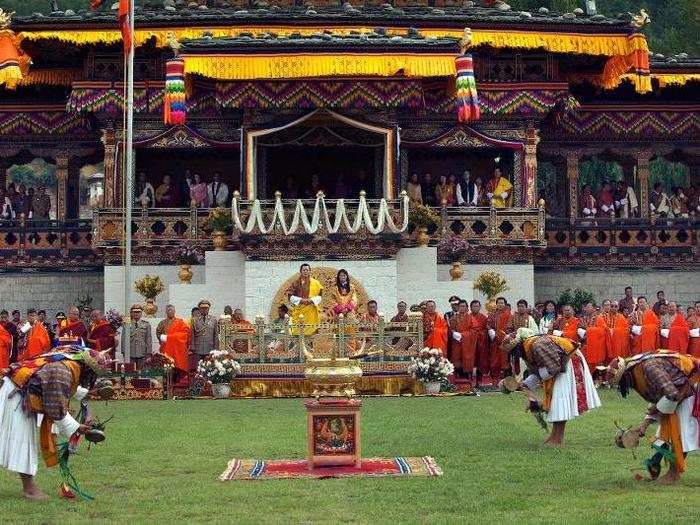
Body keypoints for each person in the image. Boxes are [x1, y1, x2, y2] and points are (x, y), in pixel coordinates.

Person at [0, 345, 110, 500]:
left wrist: (90, 393)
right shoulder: (63, 371)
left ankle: (29, 487)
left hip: (15, 388)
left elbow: (57, 384)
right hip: (17, 394)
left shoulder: (70, 357)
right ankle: (29, 488)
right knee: (23, 441)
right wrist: (77, 427)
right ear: (89, 370)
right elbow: (56, 407)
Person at [607, 351, 698, 484]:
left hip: (690, 386)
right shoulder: (636, 367)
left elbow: (672, 394)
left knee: (679, 434)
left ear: (626, 375)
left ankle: (673, 474)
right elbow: (661, 394)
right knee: (663, 435)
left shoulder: (650, 368)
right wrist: (642, 427)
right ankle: (660, 466)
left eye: (621, 383)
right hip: (680, 389)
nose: (624, 387)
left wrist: (655, 409)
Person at [504, 328, 601, 445]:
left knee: (558, 401)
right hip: (561, 365)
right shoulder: (528, 348)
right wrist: (524, 384)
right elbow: (538, 371)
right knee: (557, 401)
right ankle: (555, 436)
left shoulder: (537, 345)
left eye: (514, 351)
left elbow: (553, 368)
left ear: (519, 345)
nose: (515, 355)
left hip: (568, 364)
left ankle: (557, 438)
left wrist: (529, 383)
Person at [288, 263, 324, 335]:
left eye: (307, 270)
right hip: (299, 311)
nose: (305, 271)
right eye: (304, 270)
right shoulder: (295, 283)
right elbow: (290, 297)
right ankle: (299, 346)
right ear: (301, 271)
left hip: (311, 311)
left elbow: (320, 296)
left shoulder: (315, 283)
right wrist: (301, 300)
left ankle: (309, 346)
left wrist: (312, 300)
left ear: (310, 271)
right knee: (298, 333)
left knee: (311, 334)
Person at [156, 304, 191, 379]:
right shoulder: (162, 323)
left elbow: (185, 333)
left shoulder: (180, 322)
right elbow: (158, 333)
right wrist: (162, 339)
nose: (170, 312)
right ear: (166, 312)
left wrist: (169, 337)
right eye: (168, 310)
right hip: (165, 349)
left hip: (176, 350)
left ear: (174, 311)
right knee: (165, 368)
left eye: (172, 310)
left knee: (176, 368)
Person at [487, 297, 512, 381]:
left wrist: (504, 335)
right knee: (494, 361)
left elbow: (510, 327)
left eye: (502, 303)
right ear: (496, 304)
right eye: (499, 303)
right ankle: (495, 380)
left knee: (505, 361)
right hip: (495, 341)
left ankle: (505, 380)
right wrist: (491, 330)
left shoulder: (509, 315)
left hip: (505, 341)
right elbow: (488, 324)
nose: (500, 304)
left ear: (505, 304)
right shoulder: (492, 314)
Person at [121, 304, 152, 369]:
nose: (136, 314)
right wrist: (124, 352)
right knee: (130, 372)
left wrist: (149, 353)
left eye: (138, 312)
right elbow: (123, 338)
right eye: (134, 312)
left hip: (142, 352)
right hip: (130, 352)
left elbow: (148, 339)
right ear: (131, 313)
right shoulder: (127, 323)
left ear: (141, 313)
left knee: (142, 373)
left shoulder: (146, 324)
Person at [466, 300, 489, 383]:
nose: (476, 308)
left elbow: (486, 330)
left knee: (480, 362)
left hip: (481, 343)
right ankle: (469, 381)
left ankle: (479, 382)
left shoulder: (483, 317)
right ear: (470, 308)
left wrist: (480, 334)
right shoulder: (467, 317)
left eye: (477, 306)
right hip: (470, 343)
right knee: (470, 361)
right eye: (474, 306)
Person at [448, 299, 470, 377]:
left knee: (466, 362)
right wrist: (453, 333)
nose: (462, 308)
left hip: (467, 344)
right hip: (456, 344)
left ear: (467, 308)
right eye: (460, 306)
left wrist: (463, 335)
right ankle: (456, 382)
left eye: (463, 306)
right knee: (456, 362)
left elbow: (474, 331)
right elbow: (449, 329)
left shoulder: (470, 318)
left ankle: (467, 382)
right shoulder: (453, 318)